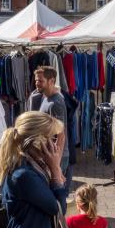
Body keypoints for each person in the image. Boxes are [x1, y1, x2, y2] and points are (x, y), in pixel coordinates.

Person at [0, 111, 67, 228]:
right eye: (52, 138)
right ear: (38, 140)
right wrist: (56, 170)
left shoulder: (33, 166)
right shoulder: (24, 175)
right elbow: (57, 209)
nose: (54, 143)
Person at [28, 66, 71, 196]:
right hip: (49, 155)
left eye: (40, 81)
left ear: (51, 81)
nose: (37, 83)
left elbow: (61, 135)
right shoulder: (45, 97)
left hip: (57, 156)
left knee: (55, 193)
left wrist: (56, 164)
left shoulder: (56, 103)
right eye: (36, 80)